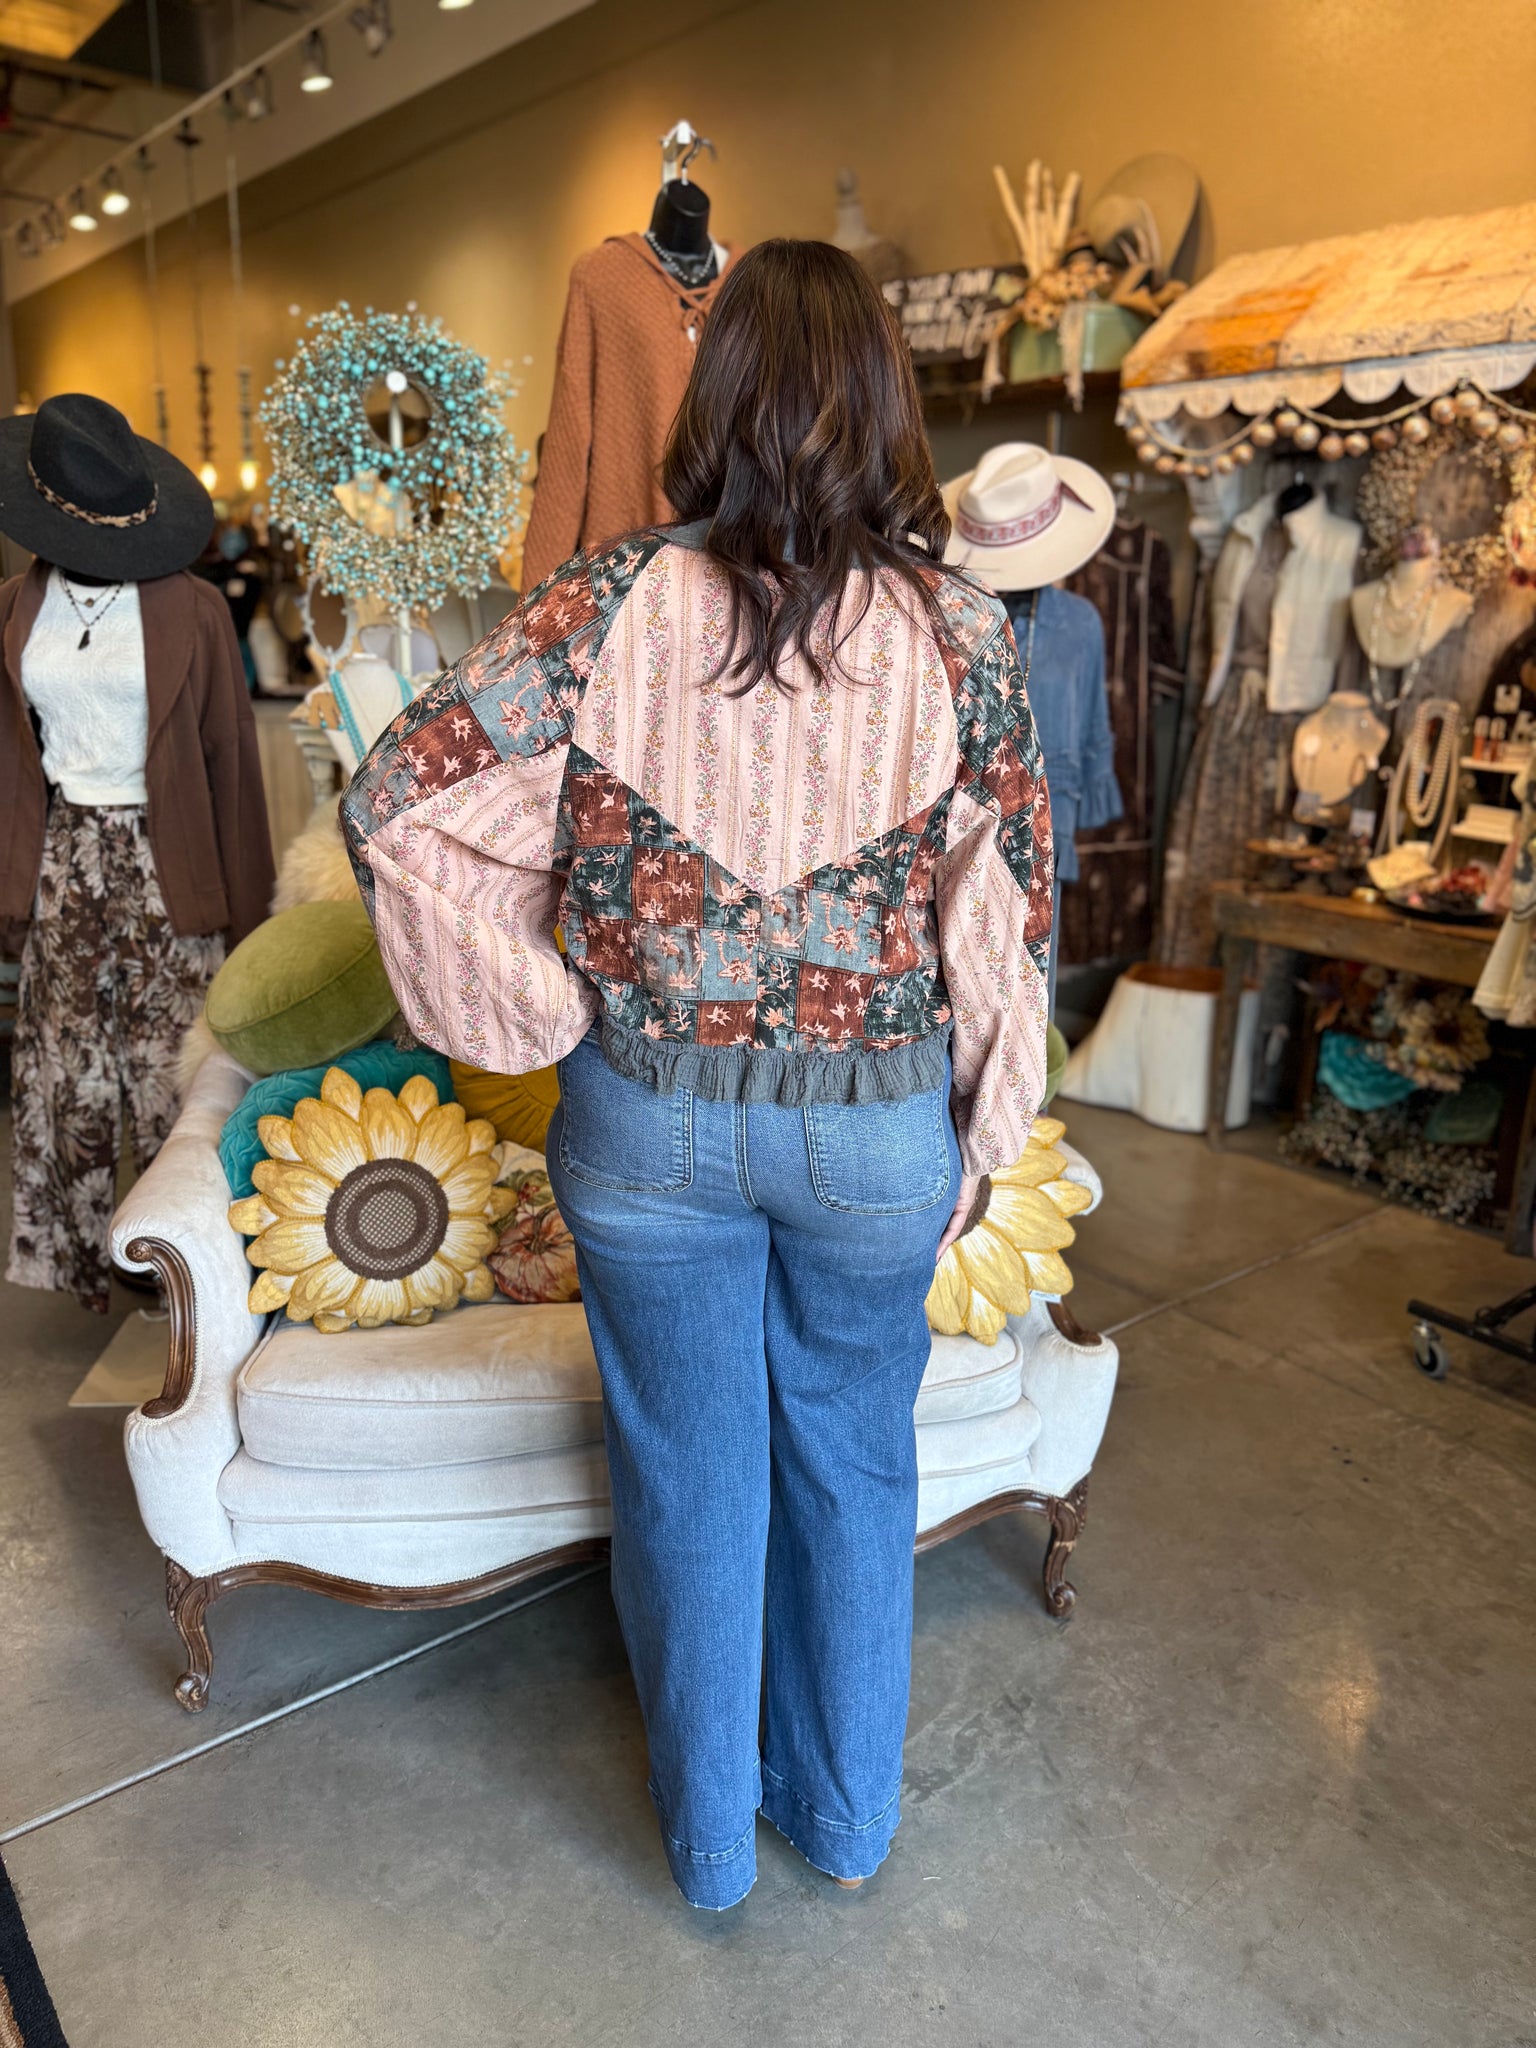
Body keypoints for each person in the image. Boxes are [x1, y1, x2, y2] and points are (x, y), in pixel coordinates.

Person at [343, 239, 1053, 1910]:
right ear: (885, 399)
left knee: (688, 1476)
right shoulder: (963, 630)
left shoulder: (601, 608)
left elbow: (398, 804)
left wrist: (544, 1006)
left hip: (645, 1117)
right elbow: (1011, 912)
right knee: (857, 1467)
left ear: (710, 390)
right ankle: (848, 1823)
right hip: (873, 1133)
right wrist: (985, 1128)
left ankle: (715, 1850)